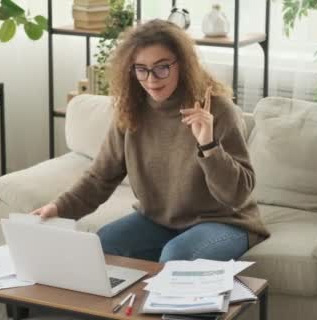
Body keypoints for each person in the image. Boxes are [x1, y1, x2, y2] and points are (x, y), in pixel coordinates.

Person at [32, 19, 269, 263]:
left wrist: (208, 145)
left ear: (183, 64)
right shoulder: (131, 111)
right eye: (141, 69)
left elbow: (237, 196)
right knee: (103, 244)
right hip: (159, 220)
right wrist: (59, 208)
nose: (152, 79)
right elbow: (100, 177)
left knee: (177, 256)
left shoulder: (217, 110)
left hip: (225, 222)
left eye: (162, 67)